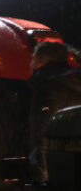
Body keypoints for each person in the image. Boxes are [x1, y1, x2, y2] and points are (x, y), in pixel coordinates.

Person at [28, 41, 81, 181]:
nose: (30, 64)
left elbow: (42, 132)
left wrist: (42, 174)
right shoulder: (74, 81)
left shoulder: (48, 89)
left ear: (40, 62)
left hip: (61, 170)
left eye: (33, 59)